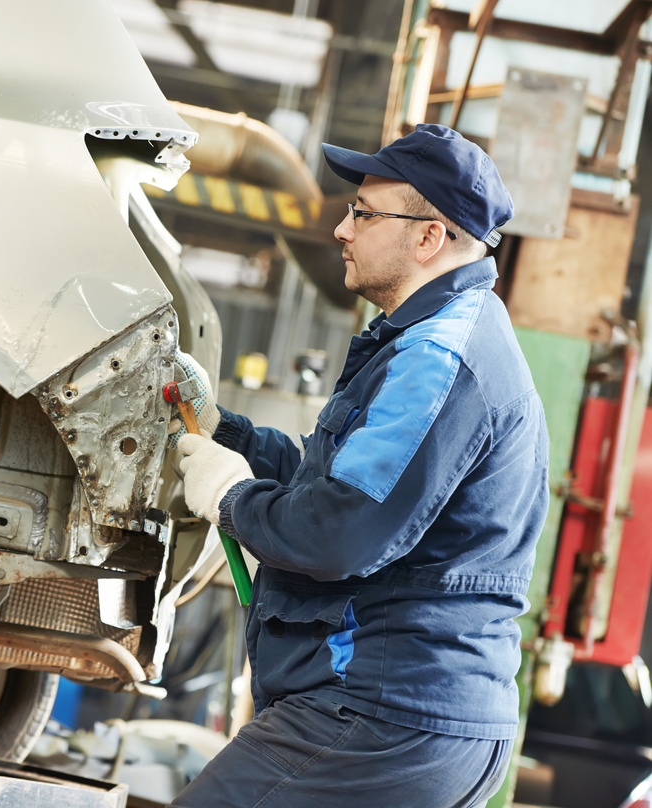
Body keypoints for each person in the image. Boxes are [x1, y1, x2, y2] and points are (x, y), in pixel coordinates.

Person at [168, 124, 549, 808]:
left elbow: (337, 532)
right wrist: (226, 433)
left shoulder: (442, 358)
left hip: (384, 717)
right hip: (410, 718)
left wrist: (231, 497)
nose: (342, 229)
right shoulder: (430, 339)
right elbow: (340, 486)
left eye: (364, 213)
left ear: (429, 237)